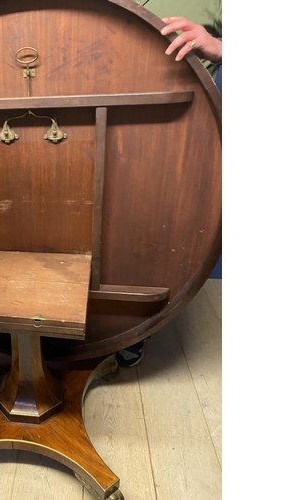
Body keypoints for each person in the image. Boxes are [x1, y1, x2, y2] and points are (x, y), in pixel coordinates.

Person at [115, 11, 222, 367]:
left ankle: (129, 329)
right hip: (99, 110)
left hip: (179, 127)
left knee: (151, 223)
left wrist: (221, 48)